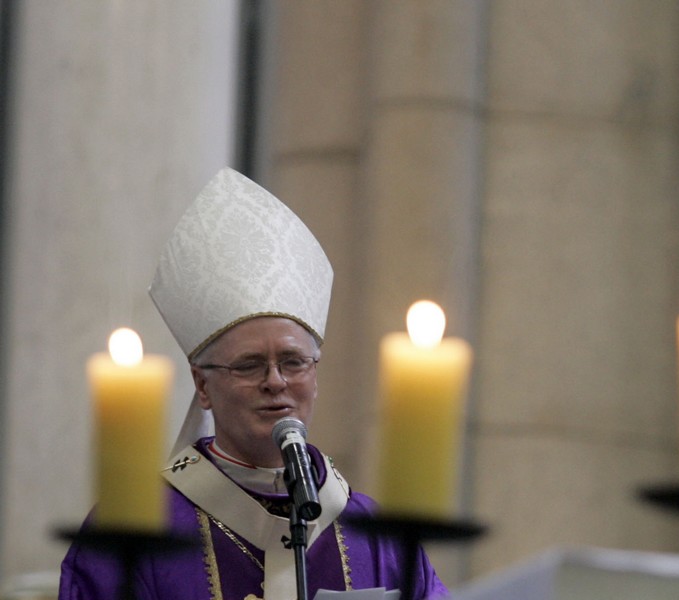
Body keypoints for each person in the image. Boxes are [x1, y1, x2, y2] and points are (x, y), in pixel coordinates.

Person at [59, 168, 448, 600]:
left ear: (314, 377)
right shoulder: (133, 531)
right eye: (248, 365)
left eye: (293, 362)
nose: (275, 381)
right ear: (202, 386)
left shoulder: (375, 533)